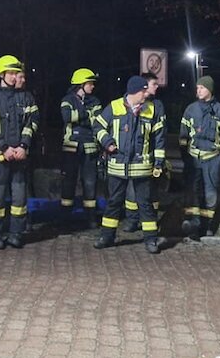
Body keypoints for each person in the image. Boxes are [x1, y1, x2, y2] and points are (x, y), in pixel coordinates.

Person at [94, 75, 165, 254]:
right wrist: (108, 142)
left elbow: (158, 138)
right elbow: (98, 126)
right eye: (144, 90)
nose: (146, 93)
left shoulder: (151, 110)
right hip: (118, 166)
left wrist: (158, 162)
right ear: (135, 91)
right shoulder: (115, 106)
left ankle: (151, 240)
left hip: (141, 167)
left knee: (145, 205)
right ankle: (106, 237)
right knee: (113, 203)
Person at [0, 55, 39, 249]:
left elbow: (32, 123)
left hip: (19, 158)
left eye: (16, 73)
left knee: (19, 199)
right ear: (1, 74)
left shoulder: (26, 97)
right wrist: (4, 147)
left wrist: (23, 146)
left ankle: (16, 234)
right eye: (11, 73)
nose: (14, 77)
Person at [180, 76, 220, 239]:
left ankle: (208, 225)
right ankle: (194, 225)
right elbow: (183, 135)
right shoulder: (191, 109)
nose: (198, 91)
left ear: (209, 89)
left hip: (212, 159)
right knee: (193, 192)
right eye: (197, 88)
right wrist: (186, 157)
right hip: (194, 158)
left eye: (201, 88)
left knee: (210, 194)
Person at [60, 68, 102, 228]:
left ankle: (91, 218)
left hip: (90, 147)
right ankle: (65, 218)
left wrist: (81, 116)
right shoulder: (67, 100)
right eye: (90, 83)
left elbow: (97, 122)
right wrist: (86, 114)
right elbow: (67, 117)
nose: (92, 86)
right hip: (71, 147)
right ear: (80, 84)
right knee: (68, 182)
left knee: (90, 183)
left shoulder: (95, 101)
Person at [125, 71, 167, 231]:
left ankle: (149, 220)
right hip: (132, 157)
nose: (157, 87)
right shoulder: (132, 103)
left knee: (150, 191)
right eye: (154, 84)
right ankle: (132, 220)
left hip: (148, 156)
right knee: (131, 191)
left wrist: (159, 160)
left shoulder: (157, 106)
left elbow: (160, 135)